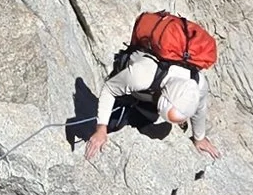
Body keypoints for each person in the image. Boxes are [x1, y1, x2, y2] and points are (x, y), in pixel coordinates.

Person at [83, 10, 220, 158]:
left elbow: (200, 108)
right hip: (128, 89)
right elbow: (110, 89)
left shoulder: (198, 84)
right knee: (113, 125)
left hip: (150, 94)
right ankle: (125, 115)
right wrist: (101, 129)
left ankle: (139, 116)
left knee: (151, 127)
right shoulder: (142, 75)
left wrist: (199, 138)